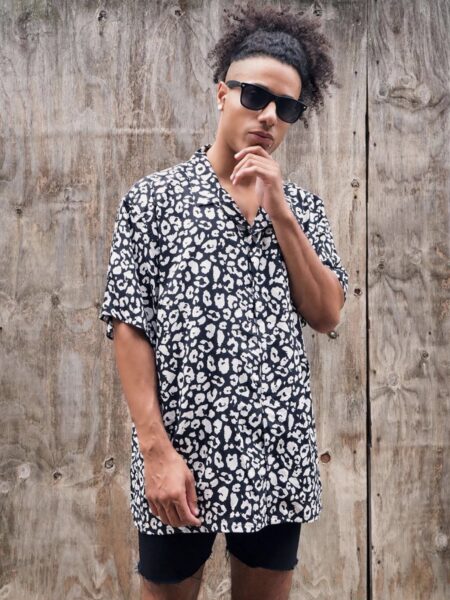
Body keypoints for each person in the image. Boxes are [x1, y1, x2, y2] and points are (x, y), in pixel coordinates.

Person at [98, 5, 349, 600]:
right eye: (254, 95)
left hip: (276, 455)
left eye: (286, 107)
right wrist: (156, 451)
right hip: (182, 457)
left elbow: (327, 313)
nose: (268, 115)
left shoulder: (303, 210)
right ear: (222, 93)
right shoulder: (155, 199)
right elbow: (129, 326)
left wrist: (281, 213)